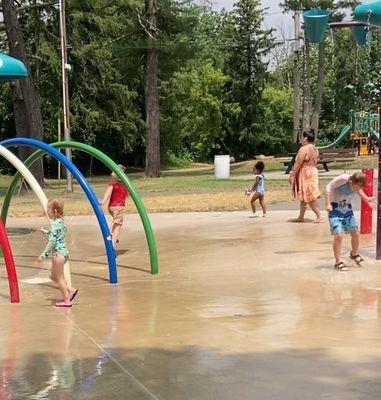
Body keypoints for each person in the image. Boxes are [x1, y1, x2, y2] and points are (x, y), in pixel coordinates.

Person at [326, 171, 377, 271]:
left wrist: (366, 199)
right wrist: (328, 203)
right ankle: (338, 262)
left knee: (355, 232)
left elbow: (359, 190)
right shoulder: (343, 179)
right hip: (335, 208)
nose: (358, 190)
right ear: (350, 182)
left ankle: (354, 254)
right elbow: (328, 187)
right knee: (338, 235)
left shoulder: (355, 184)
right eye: (357, 187)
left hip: (346, 208)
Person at [38, 198, 77, 307]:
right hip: (63, 253)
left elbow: (52, 241)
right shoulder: (60, 222)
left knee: (59, 278)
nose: (47, 212)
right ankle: (70, 290)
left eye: (48, 210)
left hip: (58, 254)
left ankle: (67, 300)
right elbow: (55, 235)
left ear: (55, 211)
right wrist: (45, 231)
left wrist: (43, 255)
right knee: (52, 276)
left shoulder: (55, 224)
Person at [289, 130, 323, 223]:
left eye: (302, 137)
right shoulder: (315, 148)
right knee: (305, 195)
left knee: (309, 195)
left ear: (305, 138)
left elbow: (298, 162)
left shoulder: (304, 148)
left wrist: (292, 174)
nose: (301, 139)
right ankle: (301, 216)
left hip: (306, 172)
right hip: (313, 171)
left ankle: (319, 215)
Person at [100, 165, 129, 246]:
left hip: (111, 208)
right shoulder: (124, 184)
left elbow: (108, 193)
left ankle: (113, 236)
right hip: (119, 207)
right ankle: (112, 244)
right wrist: (102, 202)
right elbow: (108, 193)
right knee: (118, 225)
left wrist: (103, 202)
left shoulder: (113, 184)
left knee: (116, 223)